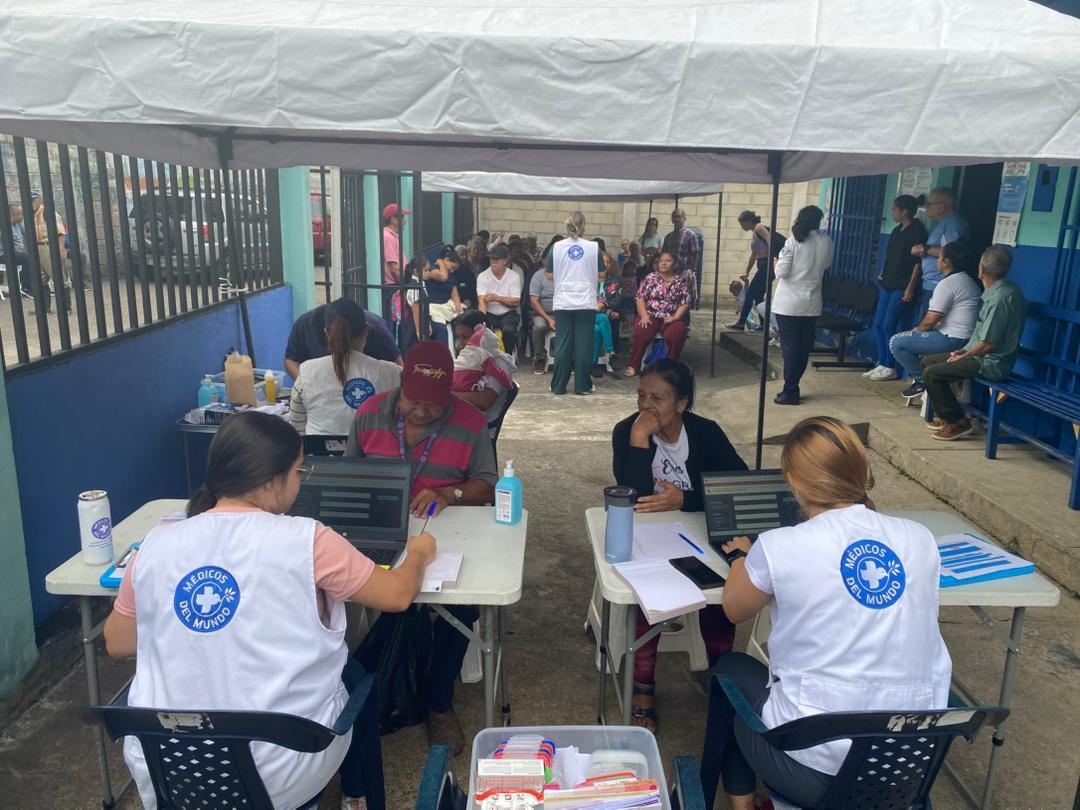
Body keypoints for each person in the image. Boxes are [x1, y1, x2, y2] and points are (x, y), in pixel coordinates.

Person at [103, 411, 437, 810]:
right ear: (269, 481)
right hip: (283, 768)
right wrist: (419, 554)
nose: (301, 480)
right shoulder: (308, 540)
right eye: (299, 471)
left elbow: (118, 642)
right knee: (354, 675)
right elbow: (397, 595)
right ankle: (357, 792)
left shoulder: (156, 544)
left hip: (168, 770)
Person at [700, 416, 952, 810]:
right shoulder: (919, 538)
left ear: (794, 483)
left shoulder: (780, 545)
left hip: (817, 774)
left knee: (730, 671)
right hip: (906, 768)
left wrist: (740, 558)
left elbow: (734, 610)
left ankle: (742, 805)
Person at [344, 341, 496, 752]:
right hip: (380, 530)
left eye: (434, 404)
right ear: (401, 385)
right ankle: (357, 686)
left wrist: (451, 494)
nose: (423, 411)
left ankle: (438, 702)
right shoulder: (369, 413)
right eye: (414, 401)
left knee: (461, 602)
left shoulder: (471, 422)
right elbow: (349, 473)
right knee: (343, 586)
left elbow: (487, 483)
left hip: (446, 533)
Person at [612, 360, 746, 732]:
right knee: (649, 592)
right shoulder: (627, 430)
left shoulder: (706, 433)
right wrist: (640, 441)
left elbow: (737, 486)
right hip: (650, 534)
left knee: (719, 591)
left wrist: (684, 499)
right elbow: (630, 497)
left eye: (658, 398)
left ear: (682, 403)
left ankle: (720, 674)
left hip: (698, 531)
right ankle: (643, 688)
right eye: (641, 395)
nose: (646, 406)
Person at [922, 246, 1025, 441]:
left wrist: (963, 356)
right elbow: (980, 336)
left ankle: (957, 423)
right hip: (978, 354)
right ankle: (950, 416)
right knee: (928, 361)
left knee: (932, 373)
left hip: (992, 362)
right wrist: (962, 350)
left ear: (982, 269)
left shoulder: (1001, 297)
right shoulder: (997, 291)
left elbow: (988, 344)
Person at [289, 299, 402, 436]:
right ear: (366, 330)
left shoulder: (306, 372)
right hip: (375, 449)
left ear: (326, 333)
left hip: (320, 449)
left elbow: (297, 428)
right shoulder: (393, 373)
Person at [886, 239, 981, 401]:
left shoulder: (948, 284)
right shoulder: (968, 281)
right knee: (913, 342)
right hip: (966, 340)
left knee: (896, 342)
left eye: (939, 257)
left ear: (946, 262)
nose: (937, 260)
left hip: (954, 340)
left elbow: (930, 321)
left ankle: (923, 381)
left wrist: (915, 331)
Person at [772, 206, 834, 405]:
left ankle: (790, 391)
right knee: (803, 348)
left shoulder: (793, 242)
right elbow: (826, 265)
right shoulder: (826, 241)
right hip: (811, 304)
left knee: (790, 349)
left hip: (789, 304)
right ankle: (793, 386)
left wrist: (776, 263)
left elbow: (781, 272)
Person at [866, 195, 931, 380]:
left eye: (895, 209)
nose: (892, 212)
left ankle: (891, 365)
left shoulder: (917, 231)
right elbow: (891, 256)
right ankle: (882, 361)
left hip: (902, 284)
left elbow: (918, 263)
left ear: (905, 211)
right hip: (887, 281)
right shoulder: (896, 230)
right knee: (878, 324)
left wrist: (910, 287)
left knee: (889, 325)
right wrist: (883, 271)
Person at [549, 211, 604, 396]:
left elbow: (549, 274)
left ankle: (558, 386)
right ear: (584, 226)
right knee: (583, 346)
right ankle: (582, 386)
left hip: (563, 301)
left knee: (563, 345)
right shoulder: (593, 247)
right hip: (586, 302)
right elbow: (602, 274)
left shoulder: (556, 247)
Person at [284, 301, 400, 380]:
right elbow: (291, 360)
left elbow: (398, 371)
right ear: (326, 333)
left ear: (365, 332)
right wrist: (307, 385)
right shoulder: (304, 325)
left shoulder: (377, 329)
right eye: (332, 345)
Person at [625, 250, 691, 377]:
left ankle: (670, 365)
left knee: (678, 332)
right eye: (661, 261)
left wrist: (675, 317)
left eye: (668, 261)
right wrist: (644, 315)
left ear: (675, 264)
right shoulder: (650, 278)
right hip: (650, 315)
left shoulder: (680, 281)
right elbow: (639, 298)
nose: (664, 263)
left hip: (670, 317)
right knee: (640, 330)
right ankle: (634, 365)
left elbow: (684, 303)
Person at [452, 309, 515, 436]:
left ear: (482, 334)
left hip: (480, 430)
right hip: (462, 419)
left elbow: (484, 401)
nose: (461, 344)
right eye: (458, 338)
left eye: (465, 337)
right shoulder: (470, 358)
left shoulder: (499, 363)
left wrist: (445, 393)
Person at [911, 187, 969, 322]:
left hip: (938, 283)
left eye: (929, 204)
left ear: (942, 207)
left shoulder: (952, 223)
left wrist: (924, 249)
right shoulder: (943, 224)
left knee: (926, 326)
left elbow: (953, 252)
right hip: (931, 282)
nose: (926, 207)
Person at [727, 211, 785, 332]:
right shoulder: (754, 233)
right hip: (762, 264)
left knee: (750, 294)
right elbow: (753, 255)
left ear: (749, 221)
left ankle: (741, 323)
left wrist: (771, 259)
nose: (742, 226)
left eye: (742, 223)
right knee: (758, 296)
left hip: (766, 265)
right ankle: (763, 325)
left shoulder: (759, 227)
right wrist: (747, 272)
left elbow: (769, 239)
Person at [476, 243, 522, 356]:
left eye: (497, 259)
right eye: (492, 259)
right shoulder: (483, 276)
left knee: (508, 331)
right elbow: (481, 301)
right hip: (489, 313)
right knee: (485, 331)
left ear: (505, 261)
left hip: (508, 313)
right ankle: (488, 357)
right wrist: (482, 320)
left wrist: (497, 298)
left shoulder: (514, 276)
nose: (493, 261)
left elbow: (516, 301)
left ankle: (508, 357)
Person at [423, 246, 464, 346]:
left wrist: (458, 307)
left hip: (446, 307)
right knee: (441, 331)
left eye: (454, 269)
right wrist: (441, 263)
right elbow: (443, 277)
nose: (452, 271)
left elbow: (455, 295)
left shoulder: (452, 277)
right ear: (446, 260)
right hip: (433, 308)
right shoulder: (432, 269)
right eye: (452, 267)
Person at [661, 208, 700, 305]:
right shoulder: (668, 237)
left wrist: (690, 270)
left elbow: (695, 254)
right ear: (672, 219)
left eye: (679, 217)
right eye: (674, 217)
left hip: (684, 273)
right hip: (670, 274)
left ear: (684, 218)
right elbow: (663, 254)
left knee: (683, 301)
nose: (676, 219)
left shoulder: (691, 235)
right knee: (670, 300)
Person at [528, 257, 557, 374]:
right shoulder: (538, 276)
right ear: (544, 261)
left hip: (561, 312)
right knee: (539, 327)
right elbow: (534, 302)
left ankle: (569, 358)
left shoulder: (564, 275)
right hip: (541, 313)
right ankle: (540, 358)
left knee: (572, 325)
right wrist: (548, 319)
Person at [381, 203, 410, 320]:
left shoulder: (390, 236)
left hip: (395, 287)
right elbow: (394, 268)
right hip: (393, 288)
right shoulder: (388, 238)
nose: (405, 221)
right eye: (402, 217)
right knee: (395, 323)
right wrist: (406, 285)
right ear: (393, 220)